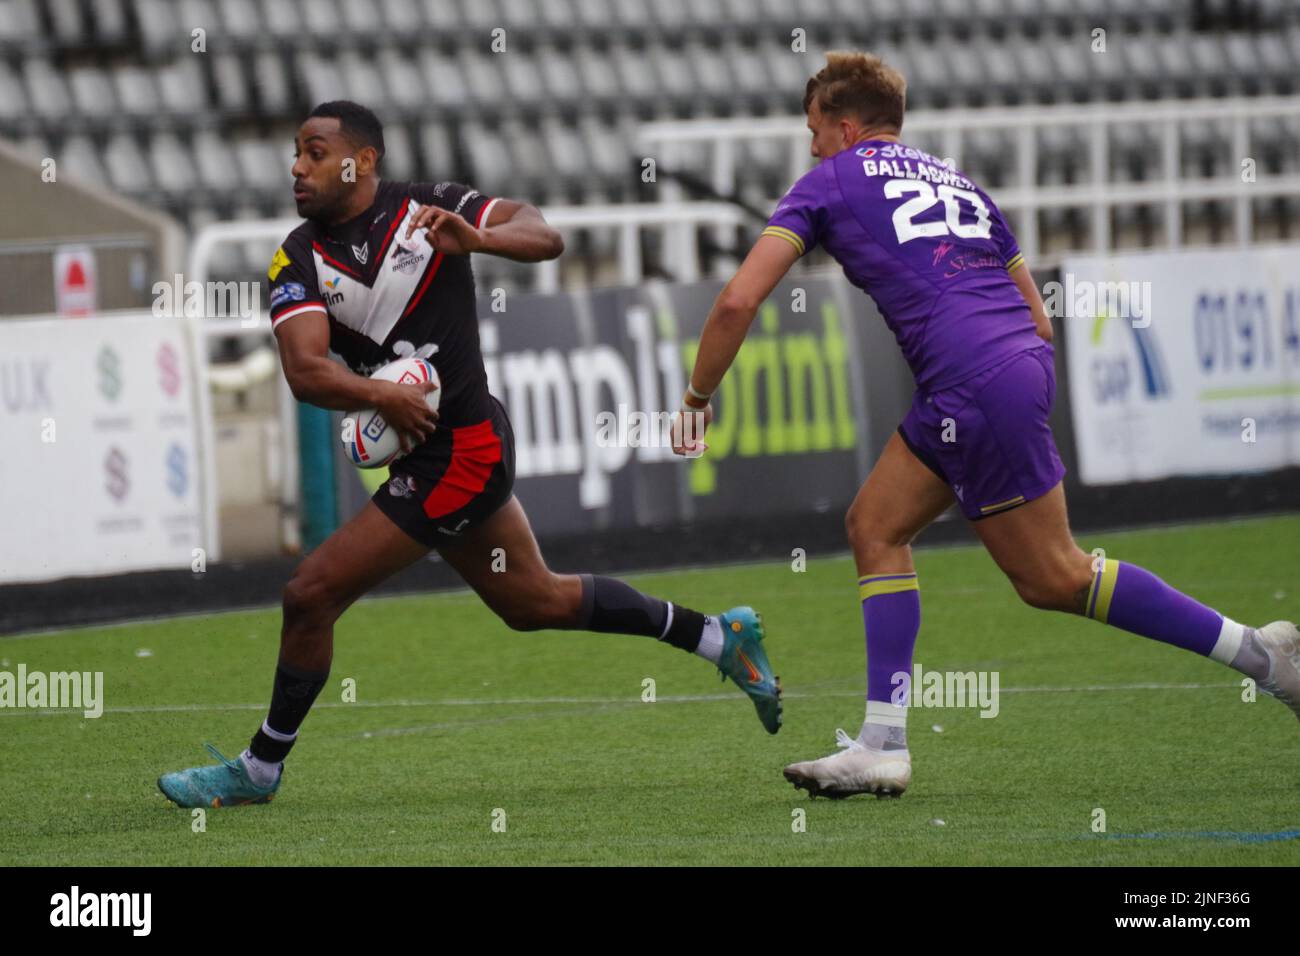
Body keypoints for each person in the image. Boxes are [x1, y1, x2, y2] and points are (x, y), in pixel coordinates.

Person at [672, 53, 1299, 799]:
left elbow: (738, 302)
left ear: (844, 126)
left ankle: (1262, 656)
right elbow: (1038, 319)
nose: (811, 148)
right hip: (1007, 368)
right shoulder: (960, 182)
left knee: (1054, 576)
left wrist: (697, 398)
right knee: (876, 525)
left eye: (814, 130)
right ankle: (881, 742)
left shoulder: (828, 183)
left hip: (970, 382)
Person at [158, 101, 781, 809]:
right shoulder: (296, 257)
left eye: (314, 152)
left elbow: (543, 236)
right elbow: (305, 371)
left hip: (465, 451)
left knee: (311, 592)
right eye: (296, 153)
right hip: (427, 456)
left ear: (359, 160)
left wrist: (476, 241)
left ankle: (260, 770)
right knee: (534, 599)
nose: (297, 167)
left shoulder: (433, 207)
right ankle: (717, 636)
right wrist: (381, 396)